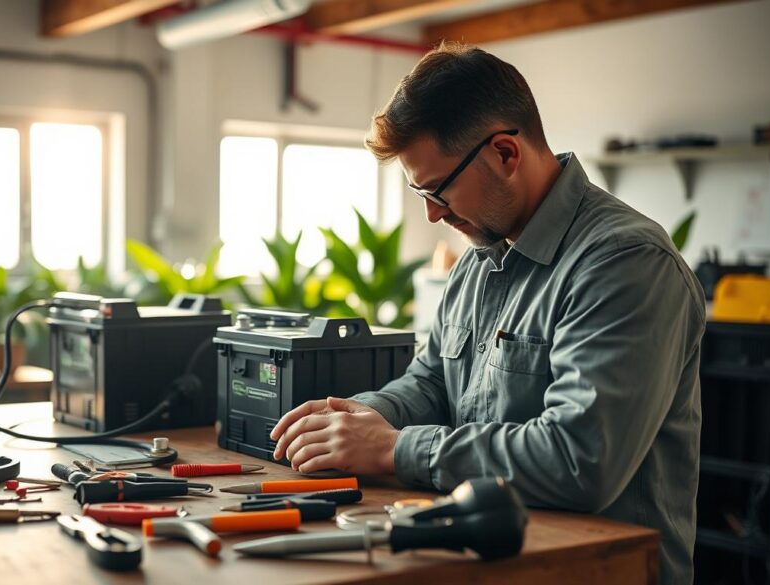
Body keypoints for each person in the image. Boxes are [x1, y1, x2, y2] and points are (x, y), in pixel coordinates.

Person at [269, 44, 704, 584]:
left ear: (504, 153)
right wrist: (353, 420)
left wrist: (395, 448)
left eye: (438, 190)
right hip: (494, 559)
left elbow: (580, 459)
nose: (431, 214)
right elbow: (432, 384)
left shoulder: (625, 263)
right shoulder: (479, 256)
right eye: (418, 191)